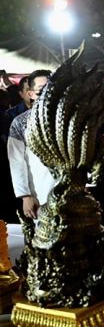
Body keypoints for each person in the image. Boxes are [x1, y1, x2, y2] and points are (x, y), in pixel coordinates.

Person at [7, 70, 55, 220]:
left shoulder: (70, 120)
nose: (47, 93)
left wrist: (86, 186)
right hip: (39, 193)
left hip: (70, 193)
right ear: (31, 94)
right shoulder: (20, 123)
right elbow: (16, 162)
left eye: (51, 88)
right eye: (41, 90)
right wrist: (25, 196)